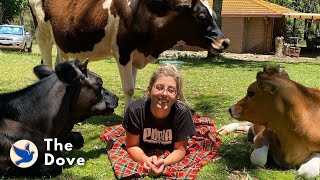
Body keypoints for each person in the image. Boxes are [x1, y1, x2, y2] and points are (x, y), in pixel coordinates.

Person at [122, 63, 196, 176]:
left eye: (171, 90)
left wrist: (164, 162)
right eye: (159, 88)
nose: (164, 94)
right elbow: (132, 145)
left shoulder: (182, 113)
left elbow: (180, 150)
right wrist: (145, 160)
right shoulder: (135, 110)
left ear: (177, 95)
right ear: (149, 90)